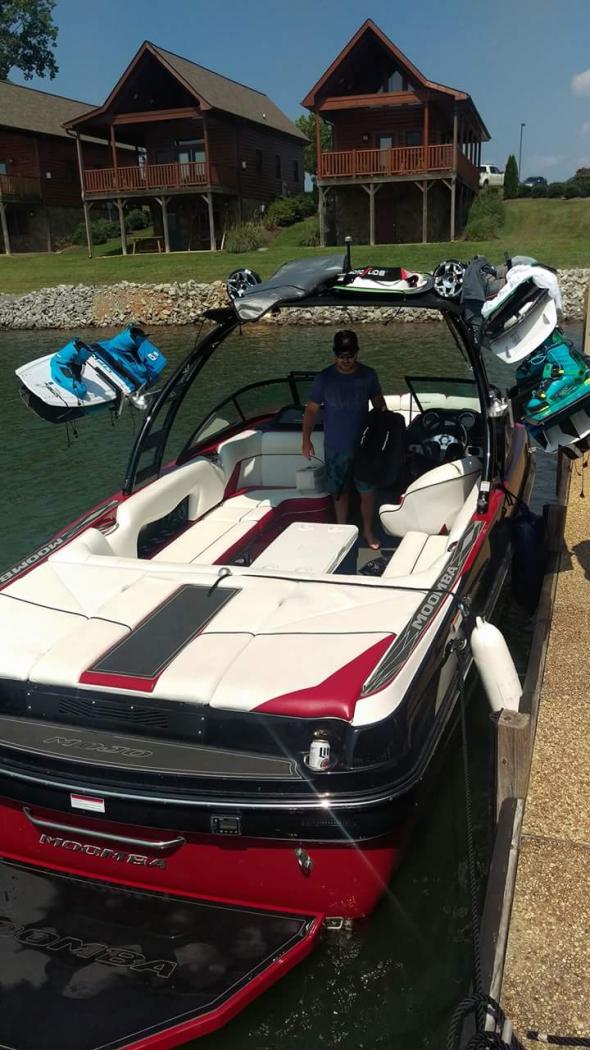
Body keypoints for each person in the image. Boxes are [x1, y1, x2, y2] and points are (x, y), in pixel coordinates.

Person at [302, 330, 386, 549]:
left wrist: (385, 431)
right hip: (336, 446)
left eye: (350, 356)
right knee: (340, 492)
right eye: (341, 356)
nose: (346, 360)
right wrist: (306, 440)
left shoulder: (368, 375)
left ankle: (368, 531)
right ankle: (341, 530)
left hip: (363, 446)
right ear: (334, 355)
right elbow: (311, 410)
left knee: (367, 492)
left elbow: (379, 404)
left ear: (357, 353)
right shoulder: (324, 378)